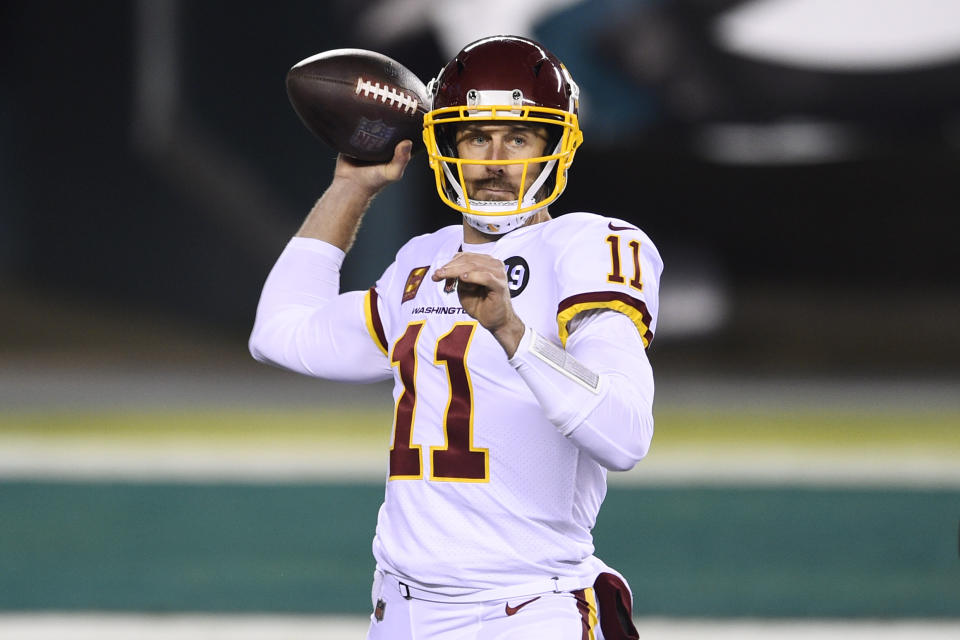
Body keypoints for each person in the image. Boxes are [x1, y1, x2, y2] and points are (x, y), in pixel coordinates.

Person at [250, 35, 662, 640]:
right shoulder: (426, 260)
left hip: (525, 611)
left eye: (517, 137)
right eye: (476, 137)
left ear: (556, 148)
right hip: (400, 612)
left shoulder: (586, 247)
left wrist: (512, 332)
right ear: (448, 146)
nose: (495, 160)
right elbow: (280, 333)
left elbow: (626, 434)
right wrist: (350, 189)